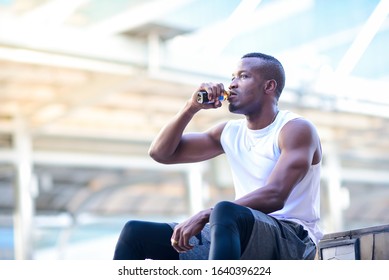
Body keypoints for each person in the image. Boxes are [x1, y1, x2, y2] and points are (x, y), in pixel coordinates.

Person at [113, 52, 323, 260]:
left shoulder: (294, 129)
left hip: (293, 238)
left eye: (243, 76)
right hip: (238, 228)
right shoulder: (230, 132)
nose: (232, 84)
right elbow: (161, 153)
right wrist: (191, 107)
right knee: (136, 233)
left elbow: (275, 195)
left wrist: (207, 214)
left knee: (224, 211)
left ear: (269, 86)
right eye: (232, 77)